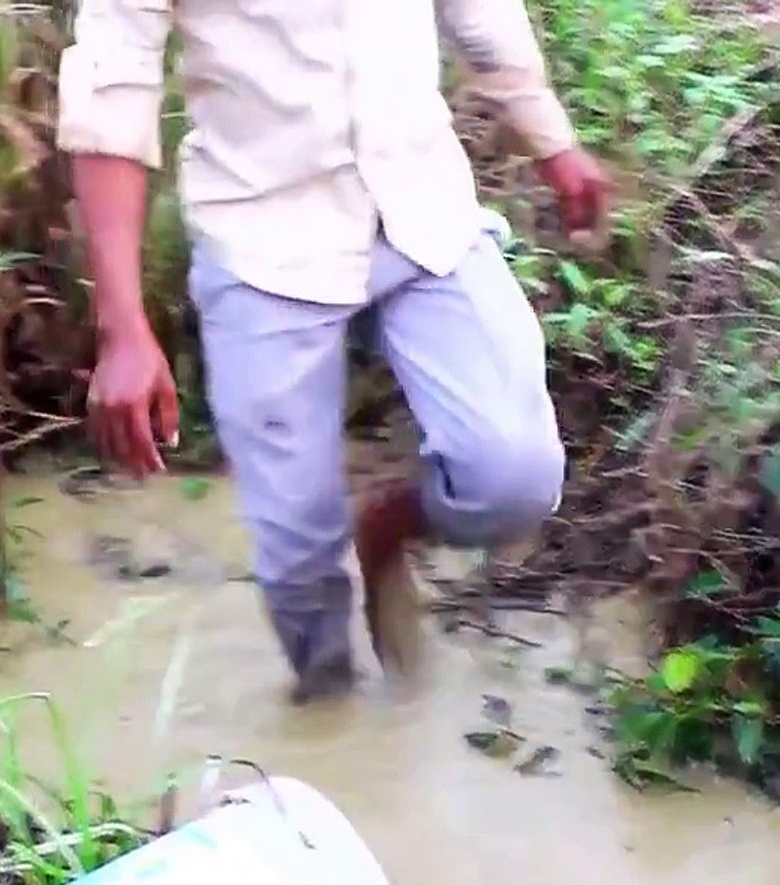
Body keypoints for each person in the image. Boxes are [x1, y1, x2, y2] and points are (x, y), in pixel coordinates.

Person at [58, 0, 610, 702]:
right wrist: (123, 329)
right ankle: (332, 727)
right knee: (298, 563)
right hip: (264, 240)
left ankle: (386, 524)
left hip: (424, 212)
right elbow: (113, 85)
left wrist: (552, 142)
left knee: (514, 477)